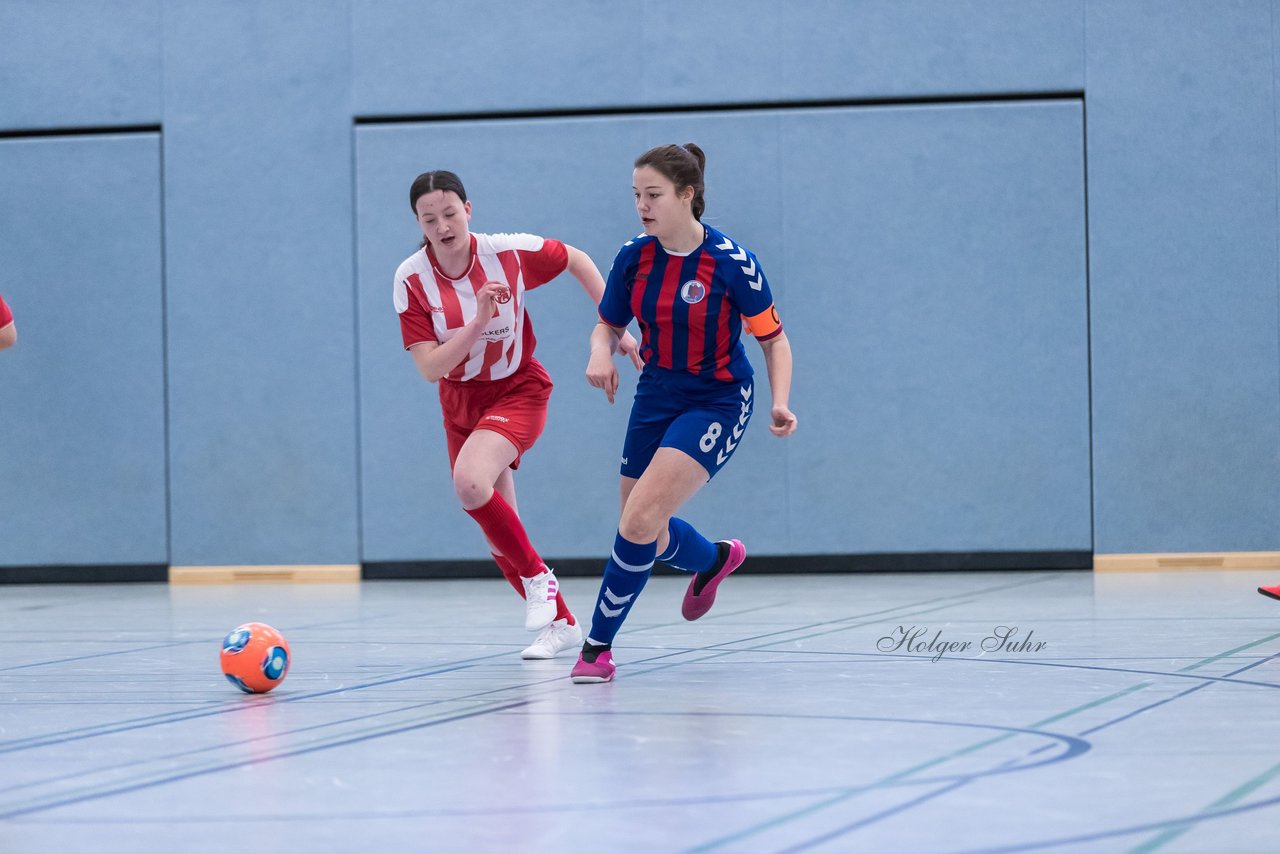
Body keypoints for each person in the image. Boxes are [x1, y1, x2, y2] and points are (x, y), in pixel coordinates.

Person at [571, 143, 798, 683]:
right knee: (639, 522)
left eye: (653, 195)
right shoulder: (635, 256)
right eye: (636, 196)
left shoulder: (730, 263)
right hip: (656, 391)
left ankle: (596, 649)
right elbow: (607, 323)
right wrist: (599, 353)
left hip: (717, 397)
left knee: (641, 518)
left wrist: (780, 400)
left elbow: (774, 339)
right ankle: (714, 560)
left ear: (687, 195)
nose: (642, 206)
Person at [393, 170, 640, 660]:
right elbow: (429, 367)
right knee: (501, 532)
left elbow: (577, 259)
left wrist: (615, 327)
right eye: (430, 219)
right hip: (460, 400)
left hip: (518, 389)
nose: (443, 226)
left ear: (468, 209)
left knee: (469, 483)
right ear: (419, 225)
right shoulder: (411, 279)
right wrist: (478, 322)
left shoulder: (506, 252)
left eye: (450, 213)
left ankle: (538, 579)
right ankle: (564, 624)